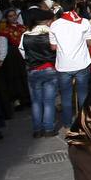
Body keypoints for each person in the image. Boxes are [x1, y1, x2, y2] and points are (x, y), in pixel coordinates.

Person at [51, 5, 91, 131]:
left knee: (66, 95)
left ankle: (67, 123)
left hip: (64, 64)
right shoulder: (84, 22)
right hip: (81, 62)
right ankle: (84, 121)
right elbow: (90, 42)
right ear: (75, 7)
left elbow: (53, 47)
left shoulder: (55, 25)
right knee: (83, 94)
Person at [21, 9, 61, 138]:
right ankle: (48, 128)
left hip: (33, 69)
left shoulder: (25, 35)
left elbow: (23, 52)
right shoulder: (51, 33)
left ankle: (37, 129)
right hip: (49, 68)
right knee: (49, 101)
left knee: (36, 101)